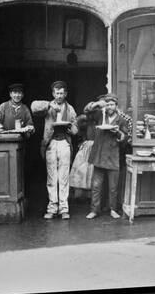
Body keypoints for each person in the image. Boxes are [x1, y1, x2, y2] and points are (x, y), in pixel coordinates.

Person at [31, 81, 78, 219]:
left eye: (62, 93)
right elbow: (34, 107)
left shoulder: (70, 109)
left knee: (63, 177)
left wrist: (71, 128)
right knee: (52, 177)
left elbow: (75, 129)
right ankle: (52, 207)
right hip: (51, 143)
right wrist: (48, 104)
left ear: (66, 94)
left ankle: (64, 209)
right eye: (57, 93)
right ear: (53, 94)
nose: (59, 96)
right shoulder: (48, 107)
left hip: (64, 143)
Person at [84, 93, 129, 219]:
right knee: (96, 186)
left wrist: (118, 132)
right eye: (107, 104)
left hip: (113, 156)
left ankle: (113, 209)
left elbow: (125, 138)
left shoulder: (121, 120)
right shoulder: (99, 115)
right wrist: (98, 104)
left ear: (116, 106)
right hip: (99, 155)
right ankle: (94, 210)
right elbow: (86, 110)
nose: (109, 107)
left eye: (112, 104)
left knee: (113, 187)